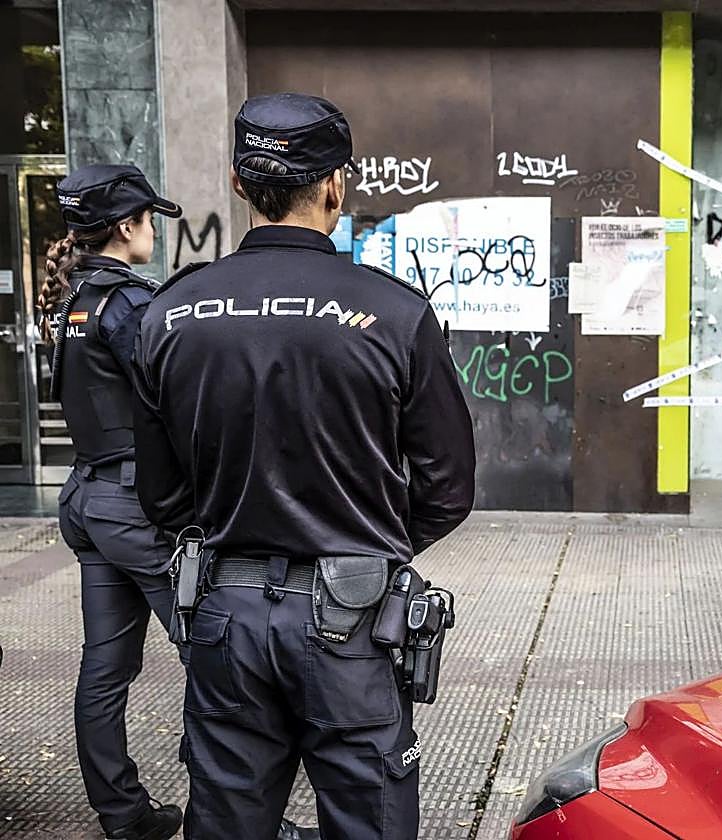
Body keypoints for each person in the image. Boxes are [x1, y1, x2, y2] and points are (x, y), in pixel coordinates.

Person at [132, 93, 476, 839]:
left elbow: (159, 496)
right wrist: (368, 549)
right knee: (368, 821)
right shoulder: (394, 312)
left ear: (235, 182)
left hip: (224, 615)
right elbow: (449, 488)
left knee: (227, 820)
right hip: (352, 622)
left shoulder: (171, 313)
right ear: (334, 186)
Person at [45, 164, 318, 840]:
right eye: (149, 221)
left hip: (89, 501)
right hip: (138, 509)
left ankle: (123, 815)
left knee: (105, 670)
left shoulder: (78, 300)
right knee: (218, 661)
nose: (154, 233)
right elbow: (179, 398)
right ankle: (243, 822)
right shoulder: (131, 304)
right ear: (126, 226)